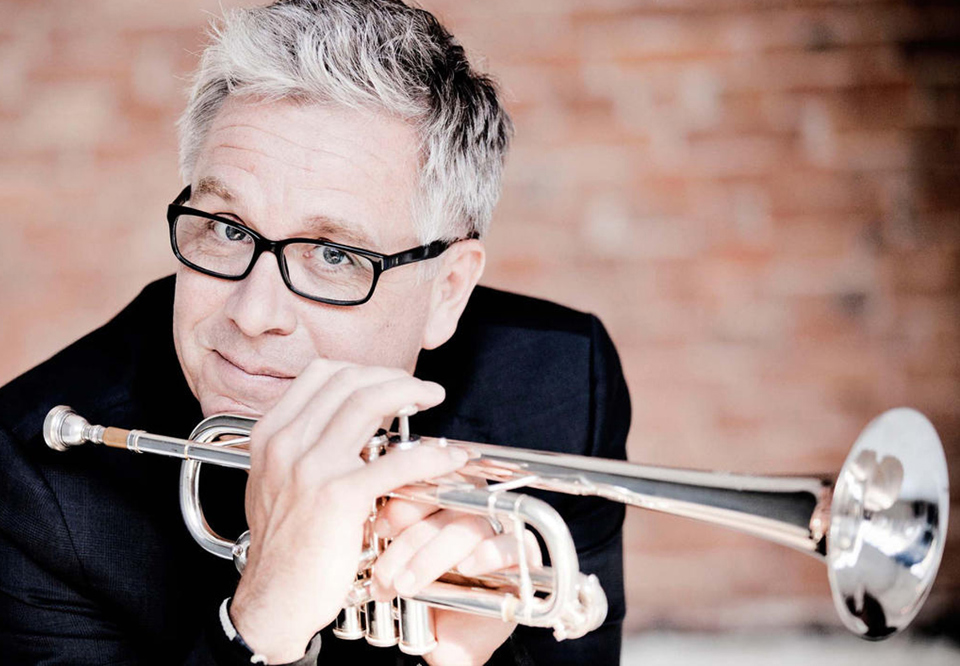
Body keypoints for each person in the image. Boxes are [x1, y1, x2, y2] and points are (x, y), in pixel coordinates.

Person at [0, 1, 630, 664]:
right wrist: (264, 620)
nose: (252, 312)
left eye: (334, 255)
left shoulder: (554, 387)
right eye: (227, 228)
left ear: (447, 291)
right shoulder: (33, 484)